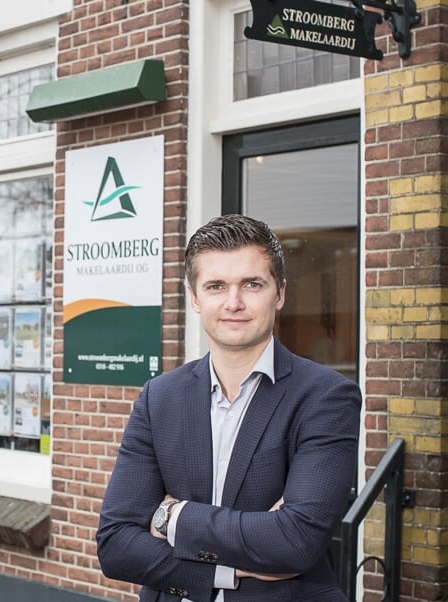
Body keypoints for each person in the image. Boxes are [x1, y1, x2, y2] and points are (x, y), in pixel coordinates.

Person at [96, 214, 361, 601]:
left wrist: (170, 517)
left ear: (280, 293)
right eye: (216, 286)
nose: (233, 302)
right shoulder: (159, 398)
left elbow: (296, 540)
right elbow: (116, 544)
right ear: (195, 297)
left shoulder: (325, 396)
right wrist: (226, 570)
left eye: (252, 284)